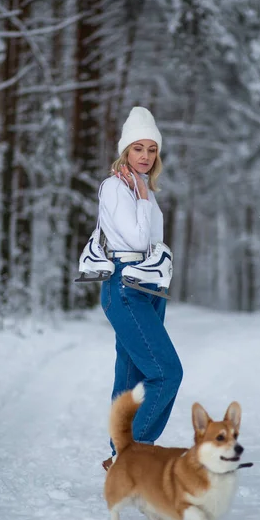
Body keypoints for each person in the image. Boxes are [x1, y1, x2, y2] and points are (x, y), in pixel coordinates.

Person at [98, 106, 183, 471]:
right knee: (166, 372)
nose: (145, 156)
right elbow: (134, 237)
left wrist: (146, 195)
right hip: (126, 285)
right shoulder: (116, 186)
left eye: (152, 149)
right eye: (138, 148)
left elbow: (152, 239)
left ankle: (121, 454)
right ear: (125, 151)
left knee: (130, 377)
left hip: (148, 286)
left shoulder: (142, 185)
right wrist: (144, 201)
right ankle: (133, 453)